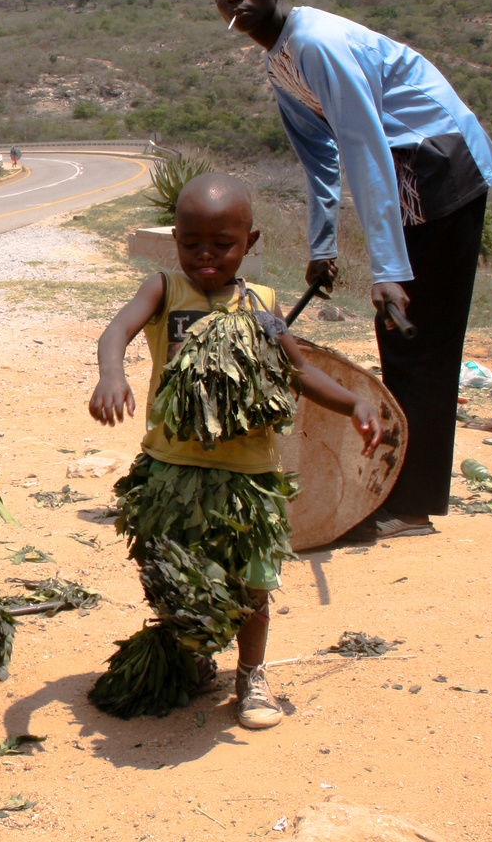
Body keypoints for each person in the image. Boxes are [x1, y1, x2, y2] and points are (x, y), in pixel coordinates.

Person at [210, 0, 492, 541]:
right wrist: (323, 249)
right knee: (397, 340)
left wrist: (388, 269)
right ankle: (398, 492)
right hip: (404, 168)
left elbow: (364, 148)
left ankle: (412, 504)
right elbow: (319, 158)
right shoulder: (280, 60)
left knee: (420, 339)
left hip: (436, 164)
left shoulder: (317, 42)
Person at [89, 173, 381, 729]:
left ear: (251, 241)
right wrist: (110, 375)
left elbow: (299, 373)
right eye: (190, 243)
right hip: (172, 472)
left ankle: (251, 676)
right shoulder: (163, 290)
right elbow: (115, 332)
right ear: (174, 239)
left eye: (221, 244)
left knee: (252, 584)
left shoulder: (263, 307)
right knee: (178, 574)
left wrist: (354, 405)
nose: (204, 256)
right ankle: (194, 656)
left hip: (247, 477)